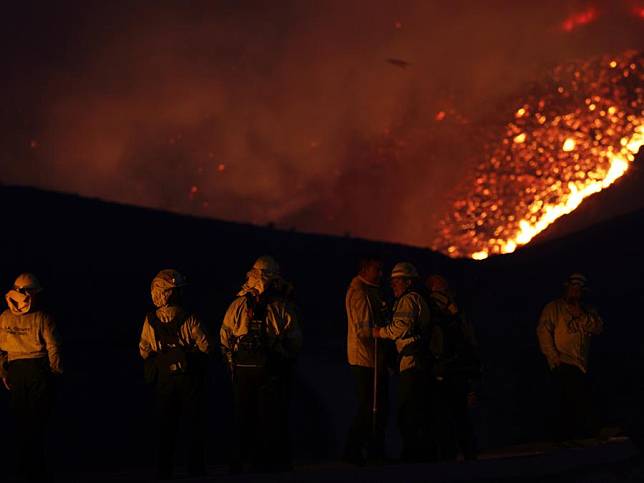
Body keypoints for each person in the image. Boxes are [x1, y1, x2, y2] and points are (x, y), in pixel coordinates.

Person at [220, 256, 302, 473]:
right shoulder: (281, 307)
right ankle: (269, 463)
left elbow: (224, 338)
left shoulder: (236, 305)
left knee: (242, 416)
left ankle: (238, 462)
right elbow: (295, 340)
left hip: (242, 370)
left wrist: (232, 364)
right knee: (271, 417)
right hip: (271, 370)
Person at [139, 269, 211, 480]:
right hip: (188, 378)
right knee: (193, 424)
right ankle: (195, 468)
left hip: (164, 381)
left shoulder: (150, 320)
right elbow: (206, 346)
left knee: (165, 426)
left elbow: (143, 351)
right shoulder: (189, 318)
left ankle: (164, 470)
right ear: (168, 293)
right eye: (176, 290)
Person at [0, 273, 62, 482]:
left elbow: (0, 350)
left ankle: (23, 470)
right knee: (37, 424)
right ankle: (37, 471)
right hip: (38, 370)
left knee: (22, 423)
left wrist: (4, 373)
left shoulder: (4, 317)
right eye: (34, 293)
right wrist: (56, 372)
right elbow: (54, 347)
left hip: (16, 371)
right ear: (28, 294)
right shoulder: (43, 317)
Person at [372, 262, 431, 462]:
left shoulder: (409, 300)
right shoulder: (415, 298)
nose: (393, 286)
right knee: (415, 410)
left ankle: (413, 455)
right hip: (415, 361)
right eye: (392, 282)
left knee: (408, 412)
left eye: (397, 282)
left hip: (412, 363)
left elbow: (401, 328)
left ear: (408, 282)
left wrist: (379, 332)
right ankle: (420, 453)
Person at [537, 273, 603, 443]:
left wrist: (581, 315)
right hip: (563, 360)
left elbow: (598, 328)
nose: (576, 292)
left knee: (580, 399)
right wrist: (553, 356)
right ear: (567, 288)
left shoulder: (587, 310)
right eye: (573, 288)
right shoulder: (554, 308)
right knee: (565, 400)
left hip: (582, 362)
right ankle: (563, 437)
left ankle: (581, 434)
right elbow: (543, 332)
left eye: (579, 289)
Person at [426, 274, 480, 461]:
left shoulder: (444, 311)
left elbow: (467, 340)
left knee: (452, 415)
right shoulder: (446, 311)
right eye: (439, 287)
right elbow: (468, 340)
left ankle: (454, 455)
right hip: (449, 369)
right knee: (455, 415)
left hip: (449, 369)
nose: (442, 290)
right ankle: (463, 454)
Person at [344, 255, 389, 465]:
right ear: (364, 269)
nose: (381, 274)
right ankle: (353, 451)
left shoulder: (372, 291)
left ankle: (372, 450)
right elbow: (362, 331)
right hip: (365, 359)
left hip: (374, 358)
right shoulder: (360, 294)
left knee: (376, 407)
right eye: (376, 269)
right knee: (367, 407)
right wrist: (382, 334)